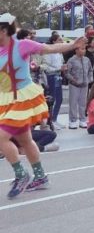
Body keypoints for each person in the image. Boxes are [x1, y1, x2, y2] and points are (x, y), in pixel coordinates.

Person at [1, 14, 82, 198]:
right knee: (25, 140)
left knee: (1, 137)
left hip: (21, 98)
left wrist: (72, 45)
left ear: (4, 30)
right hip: (6, 100)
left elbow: (49, 48)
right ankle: (40, 177)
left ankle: (21, 175)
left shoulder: (22, 45)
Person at [39, 34, 67, 129]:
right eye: (59, 40)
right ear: (54, 41)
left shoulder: (60, 53)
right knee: (52, 99)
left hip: (58, 76)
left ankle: (54, 119)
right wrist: (60, 68)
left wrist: (63, 67)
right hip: (51, 77)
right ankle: (49, 121)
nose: (61, 42)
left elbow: (61, 63)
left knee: (59, 99)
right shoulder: (48, 52)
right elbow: (47, 66)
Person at [66, 40, 93, 129]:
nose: (84, 50)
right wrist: (73, 79)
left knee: (83, 103)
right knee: (73, 103)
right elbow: (67, 72)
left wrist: (89, 79)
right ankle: (73, 121)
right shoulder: (71, 60)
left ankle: (82, 120)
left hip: (85, 84)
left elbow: (90, 70)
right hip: (74, 85)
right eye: (82, 49)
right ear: (76, 50)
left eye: (84, 49)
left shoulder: (87, 60)